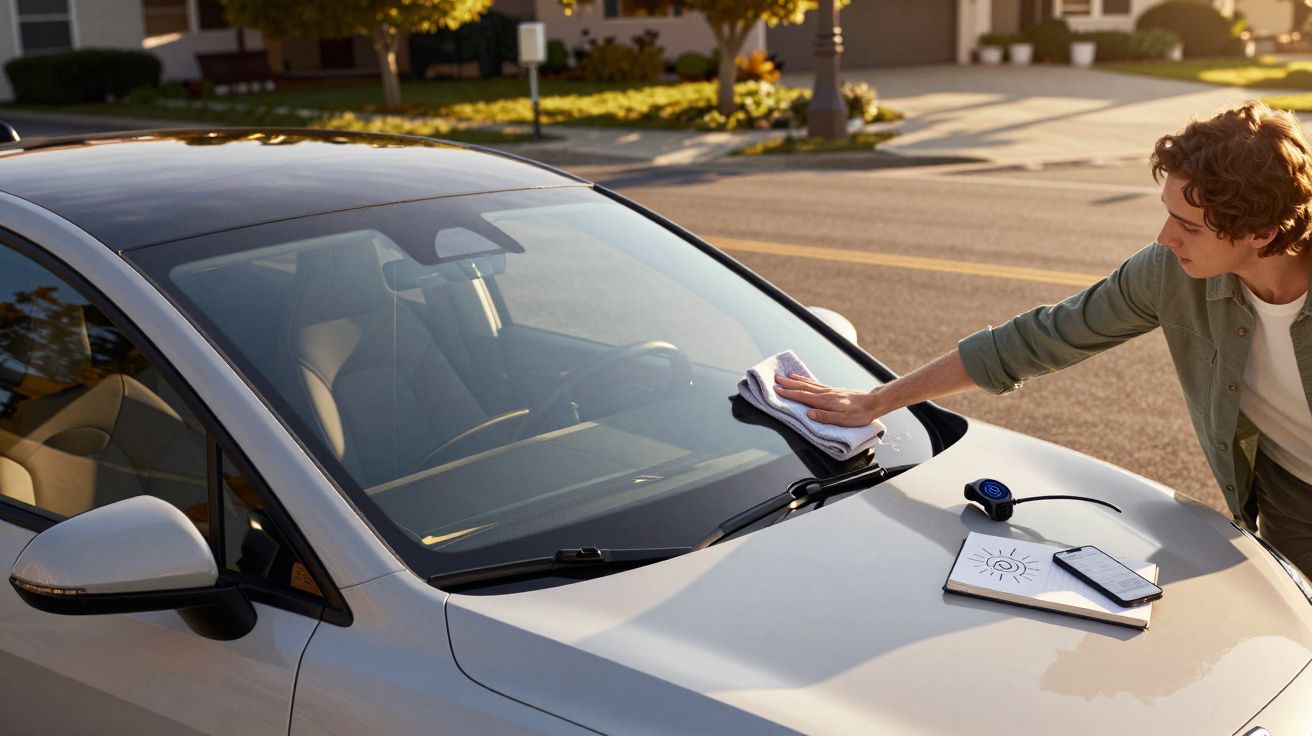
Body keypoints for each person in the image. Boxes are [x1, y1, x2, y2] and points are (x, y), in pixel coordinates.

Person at [775, 102, 1312, 578]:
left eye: (1189, 226)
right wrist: (877, 400)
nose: (1165, 238)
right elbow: (1040, 337)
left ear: (1262, 234)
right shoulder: (1167, 273)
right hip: (1293, 497)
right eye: (1169, 216)